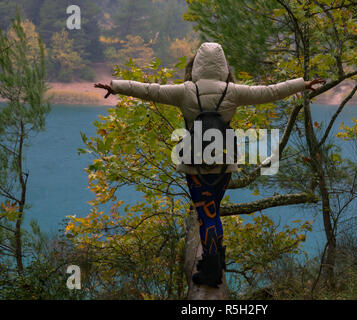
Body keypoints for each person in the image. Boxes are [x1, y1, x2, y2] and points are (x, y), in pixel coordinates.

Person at [95, 42, 325, 288]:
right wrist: (302, 84)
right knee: (212, 211)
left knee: (206, 214)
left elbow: (150, 90)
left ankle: (212, 272)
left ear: (195, 66)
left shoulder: (185, 91)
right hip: (224, 164)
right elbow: (270, 91)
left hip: (196, 166)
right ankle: (215, 259)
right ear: (223, 66)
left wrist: (116, 86)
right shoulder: (233, 91)